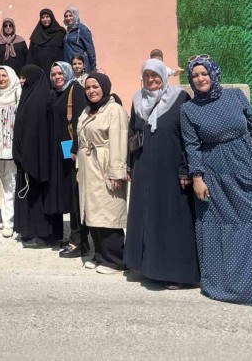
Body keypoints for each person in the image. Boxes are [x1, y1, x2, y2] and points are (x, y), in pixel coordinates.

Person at [181, 56, 252, 306]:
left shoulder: (235, 97)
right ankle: (227, 283)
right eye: (195, 76)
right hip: (215, 175)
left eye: (204, 74)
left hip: (244, 166)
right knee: (220, 226)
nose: (200, 79)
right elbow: (192, 146)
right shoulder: (189, 110)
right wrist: (197, 178)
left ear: (213, 74)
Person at [124, 59, 199, 289]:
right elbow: (132, 133)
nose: (151, 80)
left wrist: (186, 168)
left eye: (155, 75)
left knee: (171, 217)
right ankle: (148, 266)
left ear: (164, 76)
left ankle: (176, 272)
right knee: (147, 215)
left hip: (171, 168)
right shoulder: (138, 100)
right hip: (144, 167)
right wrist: (129, 165)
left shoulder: (179, 98)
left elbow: (189, 137)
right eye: (147, 76)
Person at [75, 73, 130, 273]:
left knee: (109, 213)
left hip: (105, 166)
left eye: (95, 87)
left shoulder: (114, 110)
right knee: (93, 213)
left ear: (104, 87)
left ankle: (115, 260)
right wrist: (78, 168)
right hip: (88, 166)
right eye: (88, 88)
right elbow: (81, 141)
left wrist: (117, 172)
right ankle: (99, 255)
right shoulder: (87, 110)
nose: (91, 91)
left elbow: (119, 141)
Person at [11, 64, 61, 248]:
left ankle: (42, 234)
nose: (22, 80)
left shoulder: (41, 98)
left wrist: (28, 158)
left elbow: (37, 132)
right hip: (30, 158)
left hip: (37, 160)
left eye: (26, 77)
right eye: (21, 77)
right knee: (31, 196)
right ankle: (31, 231)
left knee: (39, 196)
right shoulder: (29, 95)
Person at [49, 62, 85, 258]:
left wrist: (75, 148)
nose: (57, 77)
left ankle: (78, 240)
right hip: (61, 151)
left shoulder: (75, 90)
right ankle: (74, 236)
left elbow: (80, 122)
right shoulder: (58, 92)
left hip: (71, 150)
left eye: (60, 73)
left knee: (75, 195)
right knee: (69, 194)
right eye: (53, 74)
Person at [0, 66, 21, 238]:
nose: (1, 79)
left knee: (14, 185)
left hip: (14, 149)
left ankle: (12, 222)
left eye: (4, 76)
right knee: (6, 185)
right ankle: (9, 220)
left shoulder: (19, 94)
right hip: (0, 149)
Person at [62, 6, 97, 73]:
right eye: (66, 16)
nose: (68, 18)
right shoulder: (68, 30)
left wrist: (93, 68)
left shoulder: (82, 29)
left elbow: (90, 49)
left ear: (75, 15)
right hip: (70, 65)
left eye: (70, 16)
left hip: (80, 66)